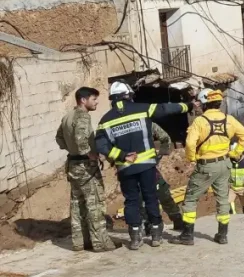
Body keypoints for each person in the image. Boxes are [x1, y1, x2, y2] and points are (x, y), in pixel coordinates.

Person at [94, 81, 191, 250]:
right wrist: (187, 106)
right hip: (147, 166)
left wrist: (122, 156)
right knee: (151, 197)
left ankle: (135, 237)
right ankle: (155, 235)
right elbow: (165, 109)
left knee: (131, 201)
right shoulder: (142, 108)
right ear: (128, 96)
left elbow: (101, 146)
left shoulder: (105, 120)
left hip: (125, 168)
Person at [177, 89, 244, 246]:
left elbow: (190, 143)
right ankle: (222, 235)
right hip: (225, 164)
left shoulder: (199, 121)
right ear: (219, 104)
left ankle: (187, 235)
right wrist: (235, 152)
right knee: (223, 199)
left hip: (206, 166)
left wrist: (191, 158)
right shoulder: (229, 119)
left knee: (190, 198)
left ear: (204, 104)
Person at [56, 87, 117, 252]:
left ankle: (79, 242)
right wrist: (89, 154)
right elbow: (81, 139)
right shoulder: (82, 117)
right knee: (95, 204)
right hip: (85, 168)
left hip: (73, 166)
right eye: (94, 99)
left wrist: (71, 148)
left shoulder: (67, 117)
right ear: (83, 100)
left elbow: (59, 138)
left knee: (77, 204)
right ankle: (100, 243)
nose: (96, 102)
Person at [138, 123, 184, 235]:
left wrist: (159, 154)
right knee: (141, 199)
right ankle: (148, 224)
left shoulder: (145, 122)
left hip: (150, 169)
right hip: (133, 170)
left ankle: (177, 219)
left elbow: (165, 137)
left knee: (163, 194)